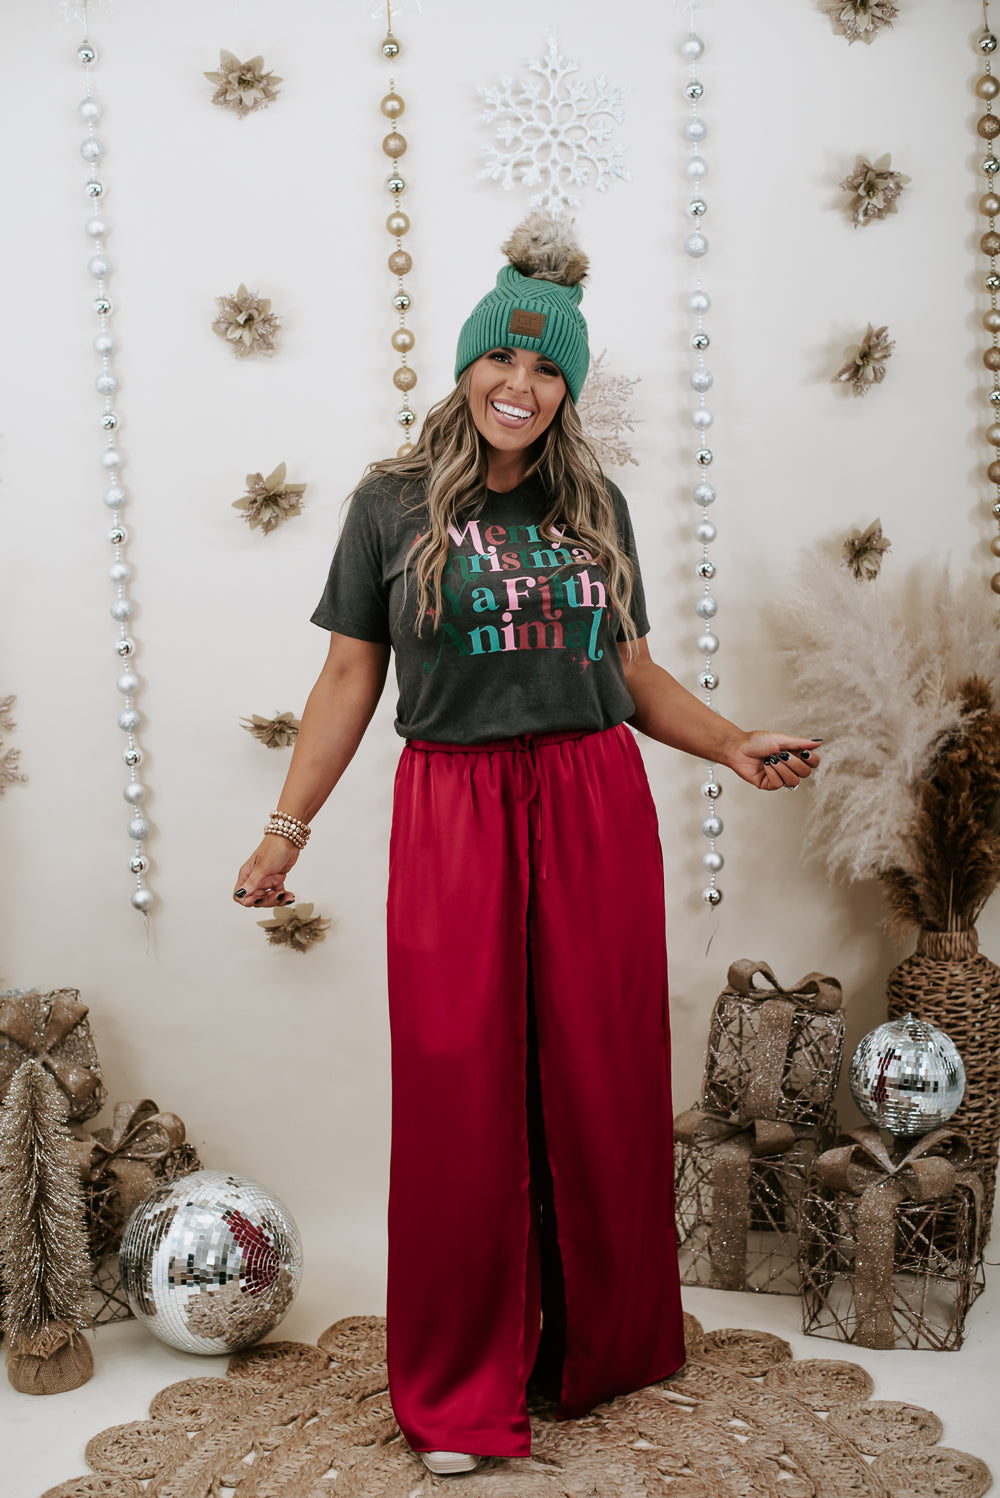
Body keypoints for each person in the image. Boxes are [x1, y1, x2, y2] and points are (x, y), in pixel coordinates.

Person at [233, 212, 821, 1477]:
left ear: (570, 385)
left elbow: (631, 673)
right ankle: (460, 1390)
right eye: (503, 357)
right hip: (453, 805)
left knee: (598, 1067)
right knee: (461, 1084)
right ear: (466, 365)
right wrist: (285, 832)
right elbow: (348, 677)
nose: (522, 384)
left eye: (549, 366)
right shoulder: (389, 504)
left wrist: (730, 742)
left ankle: (596, 1345)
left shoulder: (593, 503)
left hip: (590, 796)